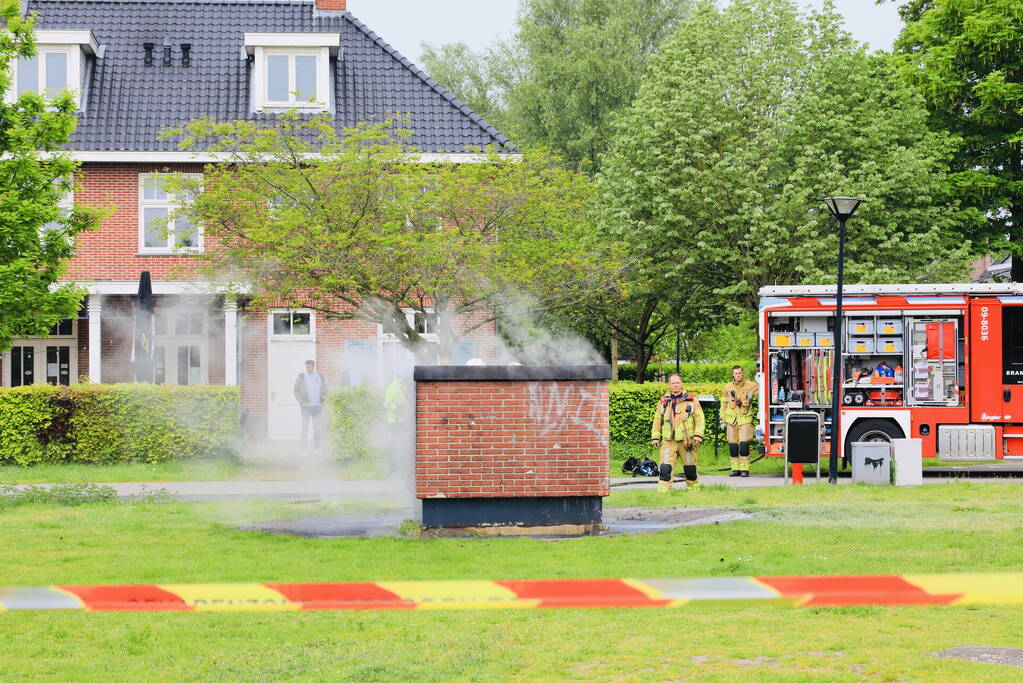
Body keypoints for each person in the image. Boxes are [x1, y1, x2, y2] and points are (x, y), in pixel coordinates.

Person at [651, 373, 705, 491]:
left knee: (690, 469)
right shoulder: (663, 401)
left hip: (687, 441)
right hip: (668, 441)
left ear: (681, 384)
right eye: (673, 383)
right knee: (665, 468)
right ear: (669, 385)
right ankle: (663, 492)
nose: (675, 385)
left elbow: (700, 418)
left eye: (677, 382)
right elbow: (657, 420)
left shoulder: (691, 399)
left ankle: (694, 490)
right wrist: (655, 437)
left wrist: (698, 435)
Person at [721, 365, 759, 477]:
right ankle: (735, 469)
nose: (738, 375)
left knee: (744, 444)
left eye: (740, 373)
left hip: (745, 420)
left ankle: (745, 469)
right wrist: (722, 420)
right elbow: (723, 405)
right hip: (731, 421)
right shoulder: (727, 387)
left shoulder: (751, 385)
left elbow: (763, 391)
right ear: (733, 374)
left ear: (743, 373)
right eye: (736, 373)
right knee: (732, 445)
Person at [293, 359, 327, 448]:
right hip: (306, 407)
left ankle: (316, 448)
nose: (308, 368)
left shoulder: (319, 376)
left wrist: (323, 401)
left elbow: (325, 390)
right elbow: (296, 391)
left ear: (313, 367)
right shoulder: (301, 377)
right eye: (306, 367)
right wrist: (301, 402)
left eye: (309, 366)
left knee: (317, 429)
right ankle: (304, 449)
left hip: (317, 407)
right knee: (305, 428)